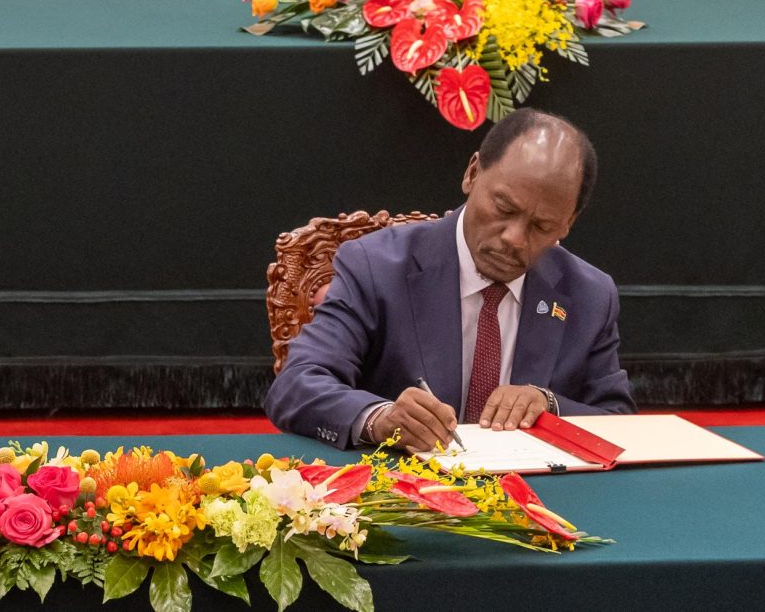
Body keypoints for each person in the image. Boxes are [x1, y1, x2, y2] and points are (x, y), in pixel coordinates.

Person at [267, 109, 630, 450]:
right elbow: (297, 385)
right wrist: (381, 418)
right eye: (504, 208)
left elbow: (621, 422)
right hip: (401, 492)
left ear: (568, 222)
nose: (514, 238)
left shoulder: (589, 295)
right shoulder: (377, 265)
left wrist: (549, 405)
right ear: (472, 173)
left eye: (542, 226)